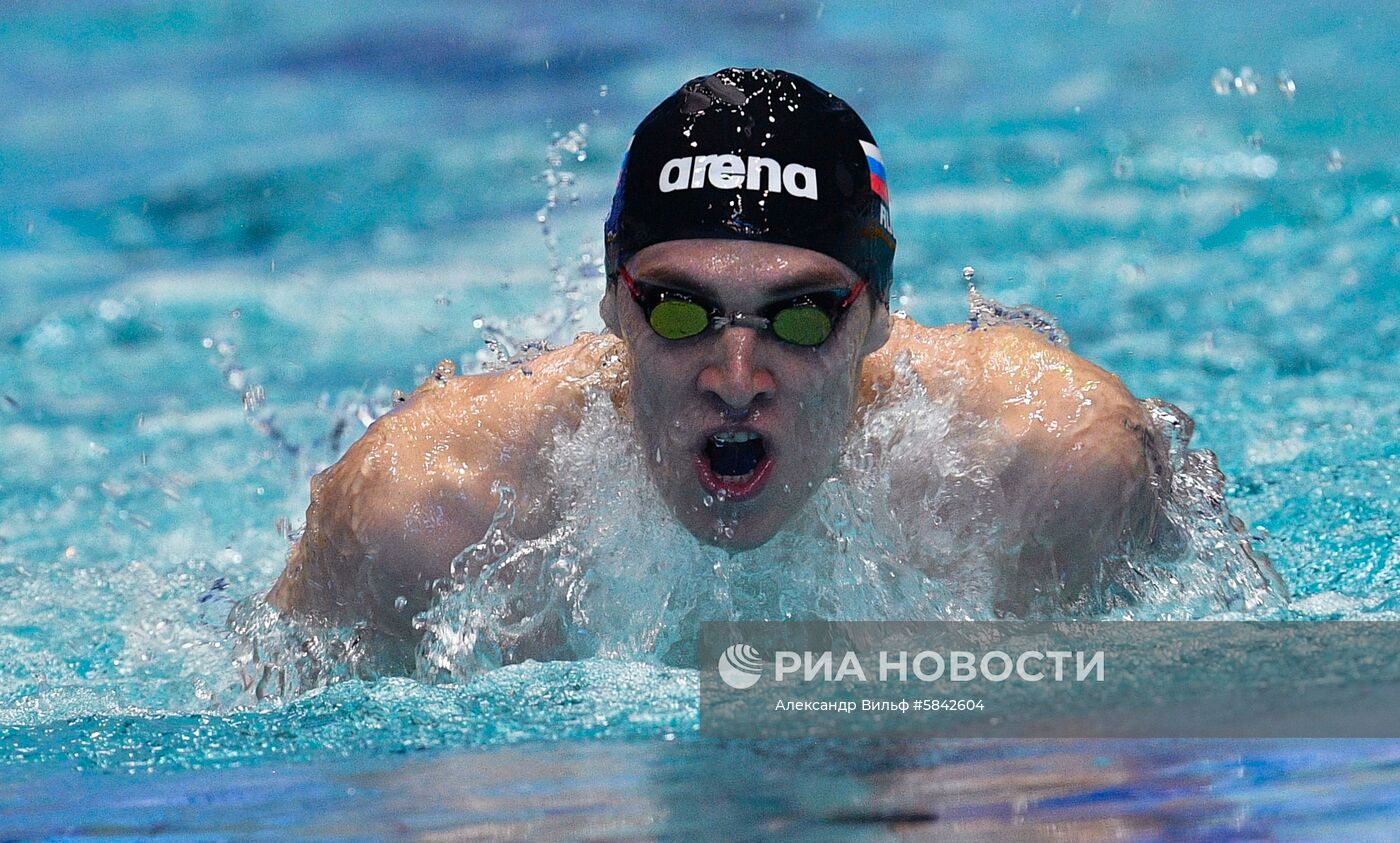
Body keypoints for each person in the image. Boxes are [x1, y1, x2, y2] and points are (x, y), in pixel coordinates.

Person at [268, 68, 1164, 654]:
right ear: (615, 301)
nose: (736, 376)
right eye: (681, 308)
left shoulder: (1048, 468)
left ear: (881, 312)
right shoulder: (425, 513)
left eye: (802, 317)